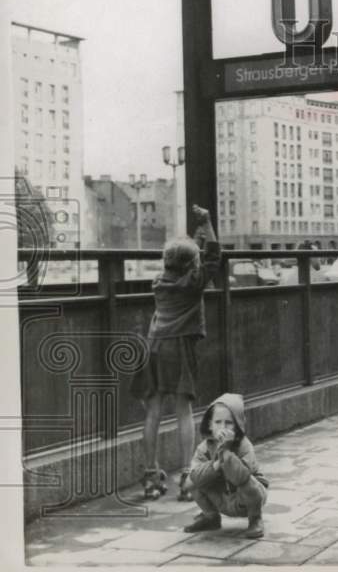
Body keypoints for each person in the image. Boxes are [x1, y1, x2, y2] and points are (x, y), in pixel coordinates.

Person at [130, 204, 219, 501]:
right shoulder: (193, 285)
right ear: (192, 265)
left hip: (153, 346)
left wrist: (194, 241)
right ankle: (187, 477)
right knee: (183, 411)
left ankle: (150, 477)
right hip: (179, 348)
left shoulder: (160, 283)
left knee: (152, 412)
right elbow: (214, 259)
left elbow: (186, 260)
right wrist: (207, 225)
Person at [181, 393, 269, 539]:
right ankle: (211, 517)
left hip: (246, 500)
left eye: (228, 423)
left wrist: (225, 452)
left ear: (238, 425)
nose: (222, 427)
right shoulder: (203, 448)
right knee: (191, 482)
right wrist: (216, 465)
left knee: (248, 481)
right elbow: (192, 479)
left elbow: (241, 477)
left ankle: (255, 519)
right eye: (218, 422)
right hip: (222, 498)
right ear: (210, 424)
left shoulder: (244, 446)